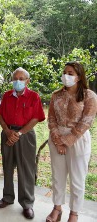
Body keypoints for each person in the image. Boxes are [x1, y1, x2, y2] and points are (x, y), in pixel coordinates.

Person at [46, 61, 96, 222]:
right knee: (57, 177)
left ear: (79, 77)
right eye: (64, 72)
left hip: (78, 140)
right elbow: (51, 118)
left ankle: (74, 213)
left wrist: (67, 141)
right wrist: (57, 139)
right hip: (56, 139)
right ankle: (57, 209)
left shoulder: (90, 96)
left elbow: (86, 121)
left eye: (70, 73)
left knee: (77, 179)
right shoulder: (56, 95)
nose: (66, 76)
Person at [0, 68, 45, 219]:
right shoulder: (7, 96)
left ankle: (27, 203)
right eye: (15, 78)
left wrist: (19, 133)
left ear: (27, 81)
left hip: (26, 135)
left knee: (26, 170)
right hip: (8, 133)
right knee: (7, 166)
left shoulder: (33, 96)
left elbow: (36, 117)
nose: (18, 81)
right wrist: (7, 131)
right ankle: (8, 197)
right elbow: (1, 115)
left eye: (21, 78)